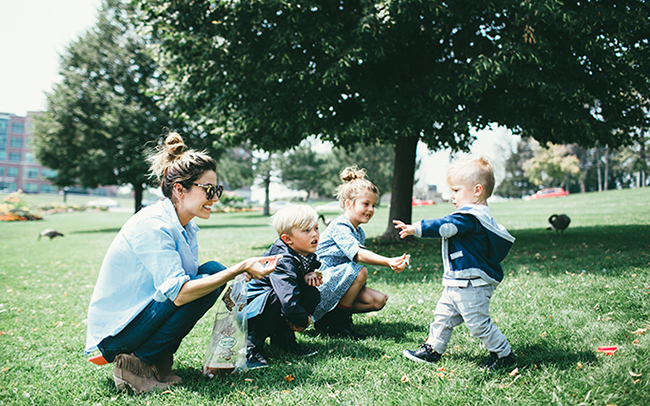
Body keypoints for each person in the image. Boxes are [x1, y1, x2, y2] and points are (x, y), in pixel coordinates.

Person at [84, 132, 279, 394]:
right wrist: (239, 268)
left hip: (141, 319)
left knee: (211, 272)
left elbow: (189, 287)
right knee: (212, 277)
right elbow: (179, 294)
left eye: (217, 189)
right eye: (209, 190)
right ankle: (134, 364)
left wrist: (230, 273)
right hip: (118, 334)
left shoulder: (184, 226)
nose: (215, 197)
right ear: (179, 189)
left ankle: (156, 359)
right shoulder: (154, 225)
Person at [393, 155, 516, 370]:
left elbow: (445, 226)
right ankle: (433, 349)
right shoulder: (472, 216)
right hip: (458, 281)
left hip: (472, 284)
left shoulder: (470, 217)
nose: (452, 196)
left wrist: (417, 228)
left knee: (478, 324)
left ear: (477, 190)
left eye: (456, 191)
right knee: (442, 317)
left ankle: (503, 354)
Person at [313, 166, 408, 339]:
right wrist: (388, 261)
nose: (370, 209)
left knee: (378, 300)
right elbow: (358, 255)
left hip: (337, 282)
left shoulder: (358, 232)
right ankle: (338, 325)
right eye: (366, 204)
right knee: (360, 271)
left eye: (373, 205)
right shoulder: (340, 225)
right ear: (349, 203)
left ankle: (328, 317)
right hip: (320, 283)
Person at [245, 205, 323, 369]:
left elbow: (298, 281)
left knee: (311, 294)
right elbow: (287, 300)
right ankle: (251, 345)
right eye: (307, 230)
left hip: (272, 304)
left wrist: (309, 275)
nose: (315, 233)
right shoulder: (283, 259)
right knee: (275, 298)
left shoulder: (304, 252)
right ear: (287, 239)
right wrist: (304, 319)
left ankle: (283, 338)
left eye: (316, 228)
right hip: (252, 310)